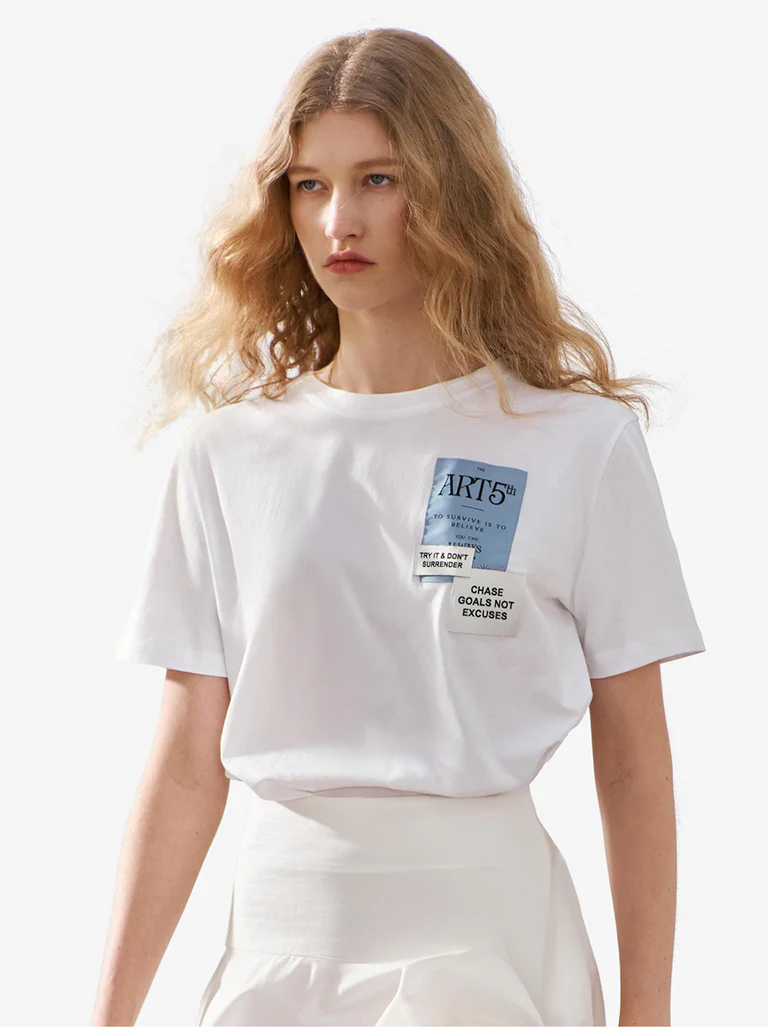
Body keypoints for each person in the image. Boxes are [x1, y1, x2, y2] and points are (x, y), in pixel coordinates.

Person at [90, 26, 706, 1027]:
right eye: (310, 185)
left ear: (453, 189)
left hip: (491, 956)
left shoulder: (578, 447)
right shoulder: (227, 455)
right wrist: (107, 1014)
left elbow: (634, 757)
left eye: (379, 179)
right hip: (275, 960)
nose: (340, 219)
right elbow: (185, 764)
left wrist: (651, 1013)